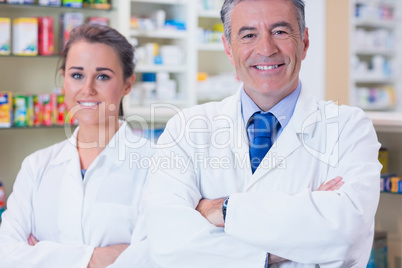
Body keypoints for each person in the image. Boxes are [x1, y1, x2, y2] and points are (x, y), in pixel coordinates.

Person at [142, 0, 381, 267]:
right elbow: (166, 243)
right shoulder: (185, 128)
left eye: (280, 31)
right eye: (248, 35)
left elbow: (344, 235)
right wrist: (286, 246)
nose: (266, 49)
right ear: (228, 48)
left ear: (304, 42)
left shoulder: (349, 128)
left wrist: (221, 210)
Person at [0, 24, 153, 268]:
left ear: (127, 84)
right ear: (64, 81)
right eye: (77, 75)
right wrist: (96, 258)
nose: (87, 89)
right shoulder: (37, 165)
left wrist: (41, 254)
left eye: (103, 76)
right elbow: (6, 254)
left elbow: (151, 258)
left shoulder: (156, 166)